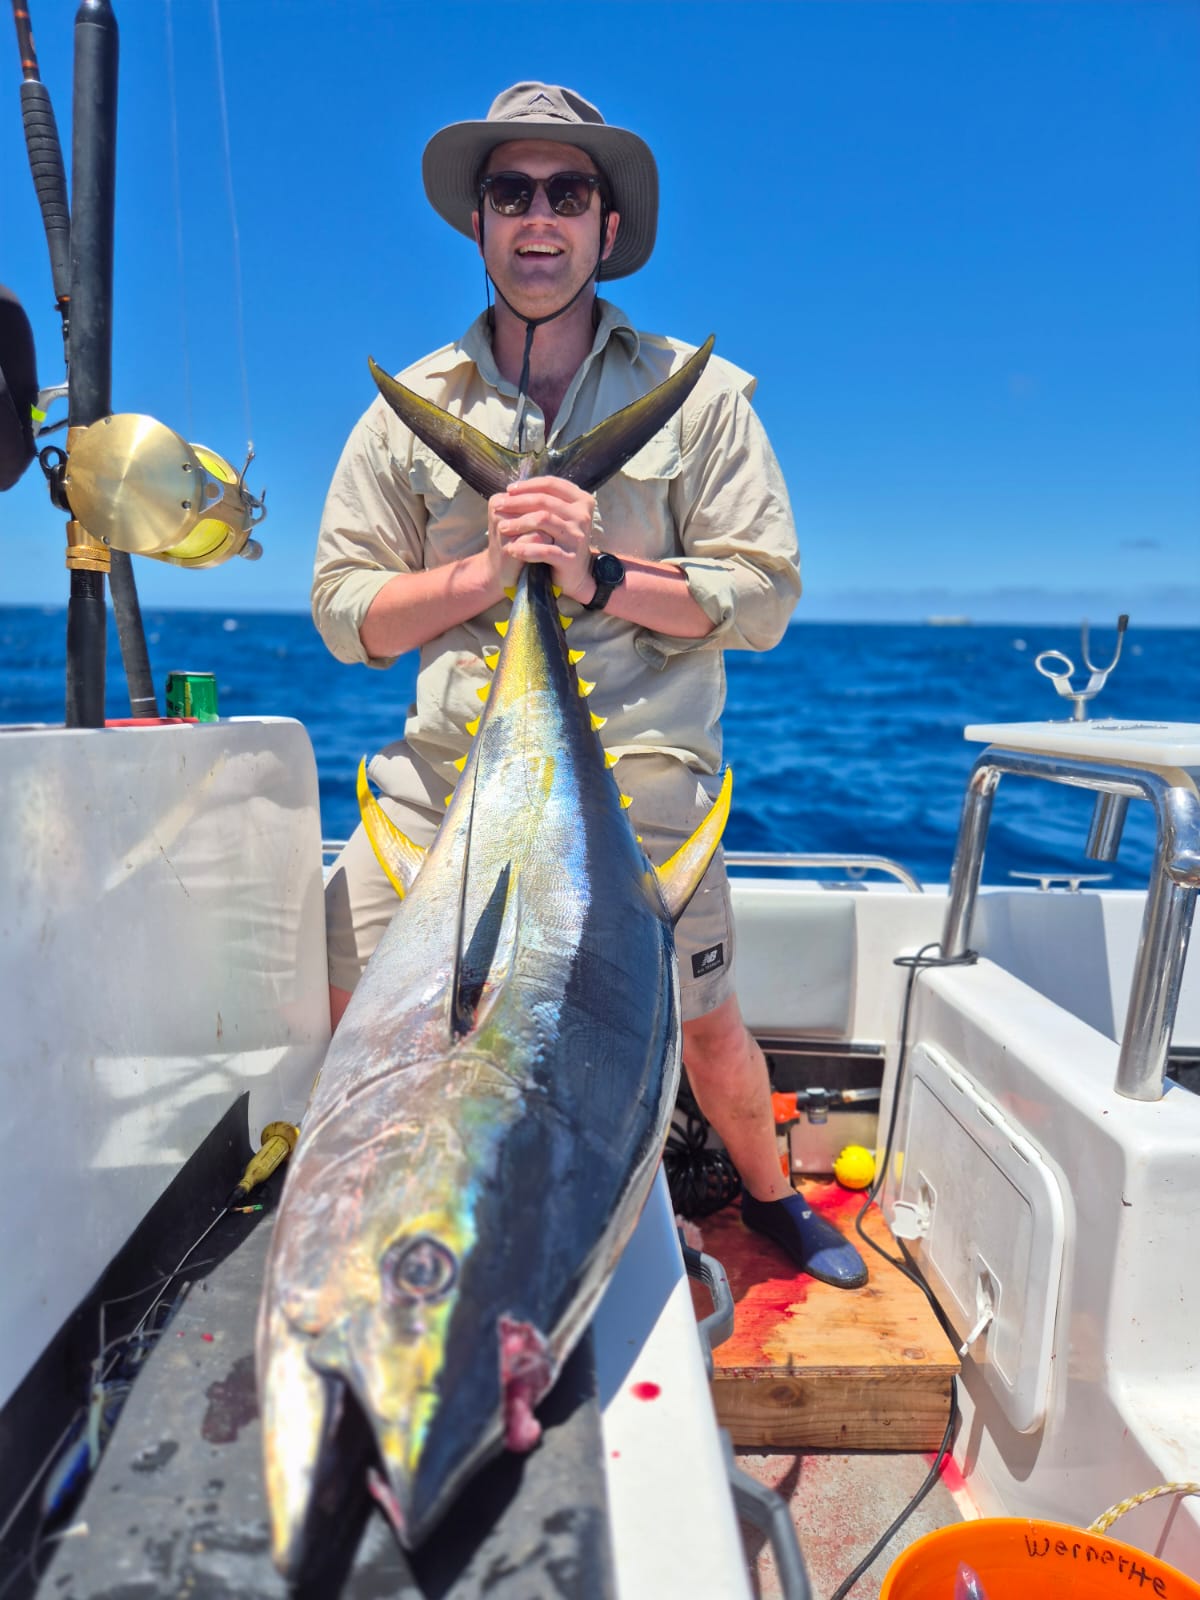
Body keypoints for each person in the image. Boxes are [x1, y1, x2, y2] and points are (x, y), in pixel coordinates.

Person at [313, 83, 867, 1290]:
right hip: (446, 795)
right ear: (479, 221)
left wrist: (597, 567)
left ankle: (771, 1199)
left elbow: (762, 598)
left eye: (569, 192)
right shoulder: (406, 411)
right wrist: (486, 570)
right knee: (352, 991)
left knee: (705, 1021)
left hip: (641, 795)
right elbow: (344, 614)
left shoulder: (702, 397)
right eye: (512, 192)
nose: (540, 217)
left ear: (607, 227)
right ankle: (351, 1198)